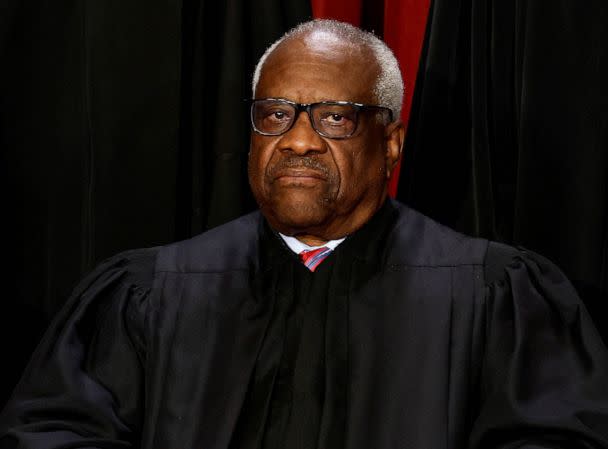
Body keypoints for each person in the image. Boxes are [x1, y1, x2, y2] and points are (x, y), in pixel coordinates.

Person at [1, 18, 608, 449]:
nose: (297, 139)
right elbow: (59, 429)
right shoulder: (153, 293)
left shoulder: (491, 295)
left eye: (335, 118)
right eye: (275, 113)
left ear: (391, 144)